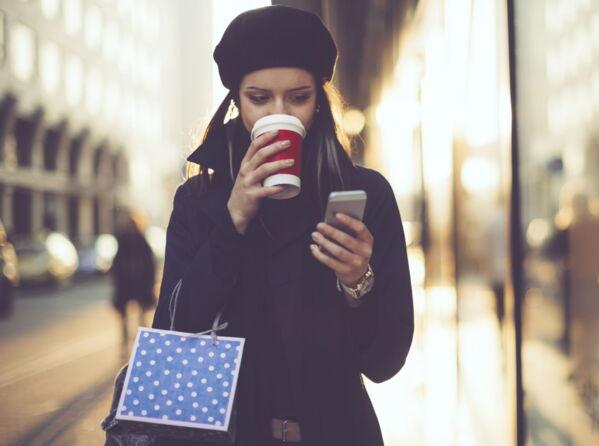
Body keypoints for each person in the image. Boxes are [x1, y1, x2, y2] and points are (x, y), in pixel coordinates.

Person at [151, 6, 414, 445]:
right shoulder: (200, 201)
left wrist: (357, 282)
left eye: (298, 97)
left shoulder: (363, 196)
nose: (280, 112)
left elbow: (385, 362)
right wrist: (232, 220)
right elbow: (174, 335)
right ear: (237, 99)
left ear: (319, 101)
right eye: (259, 98)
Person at [111, 209, 156, 345]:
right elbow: (117, 263)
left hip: (140, 283)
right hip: (126, 284)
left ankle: (144, 343)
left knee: (142, 317)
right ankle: (125, 343)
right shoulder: (123, 241)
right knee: (124, 317)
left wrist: (150, 283)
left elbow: (150, 264)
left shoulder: (142, 242)